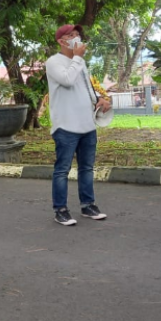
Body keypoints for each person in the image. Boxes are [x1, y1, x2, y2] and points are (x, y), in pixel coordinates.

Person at [44, 24, 111, 226]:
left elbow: (85, 87)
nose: (77, 38)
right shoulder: (54, 62)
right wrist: (78, 58)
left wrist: (100, 99)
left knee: (86, 168)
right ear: (61, 41)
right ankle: (61, 210)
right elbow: (67, 80)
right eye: (71, 35)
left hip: (87, 125)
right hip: (65, 126)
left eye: (78, 34)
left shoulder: (80, 63)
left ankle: (88, 205)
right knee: (62, 170)